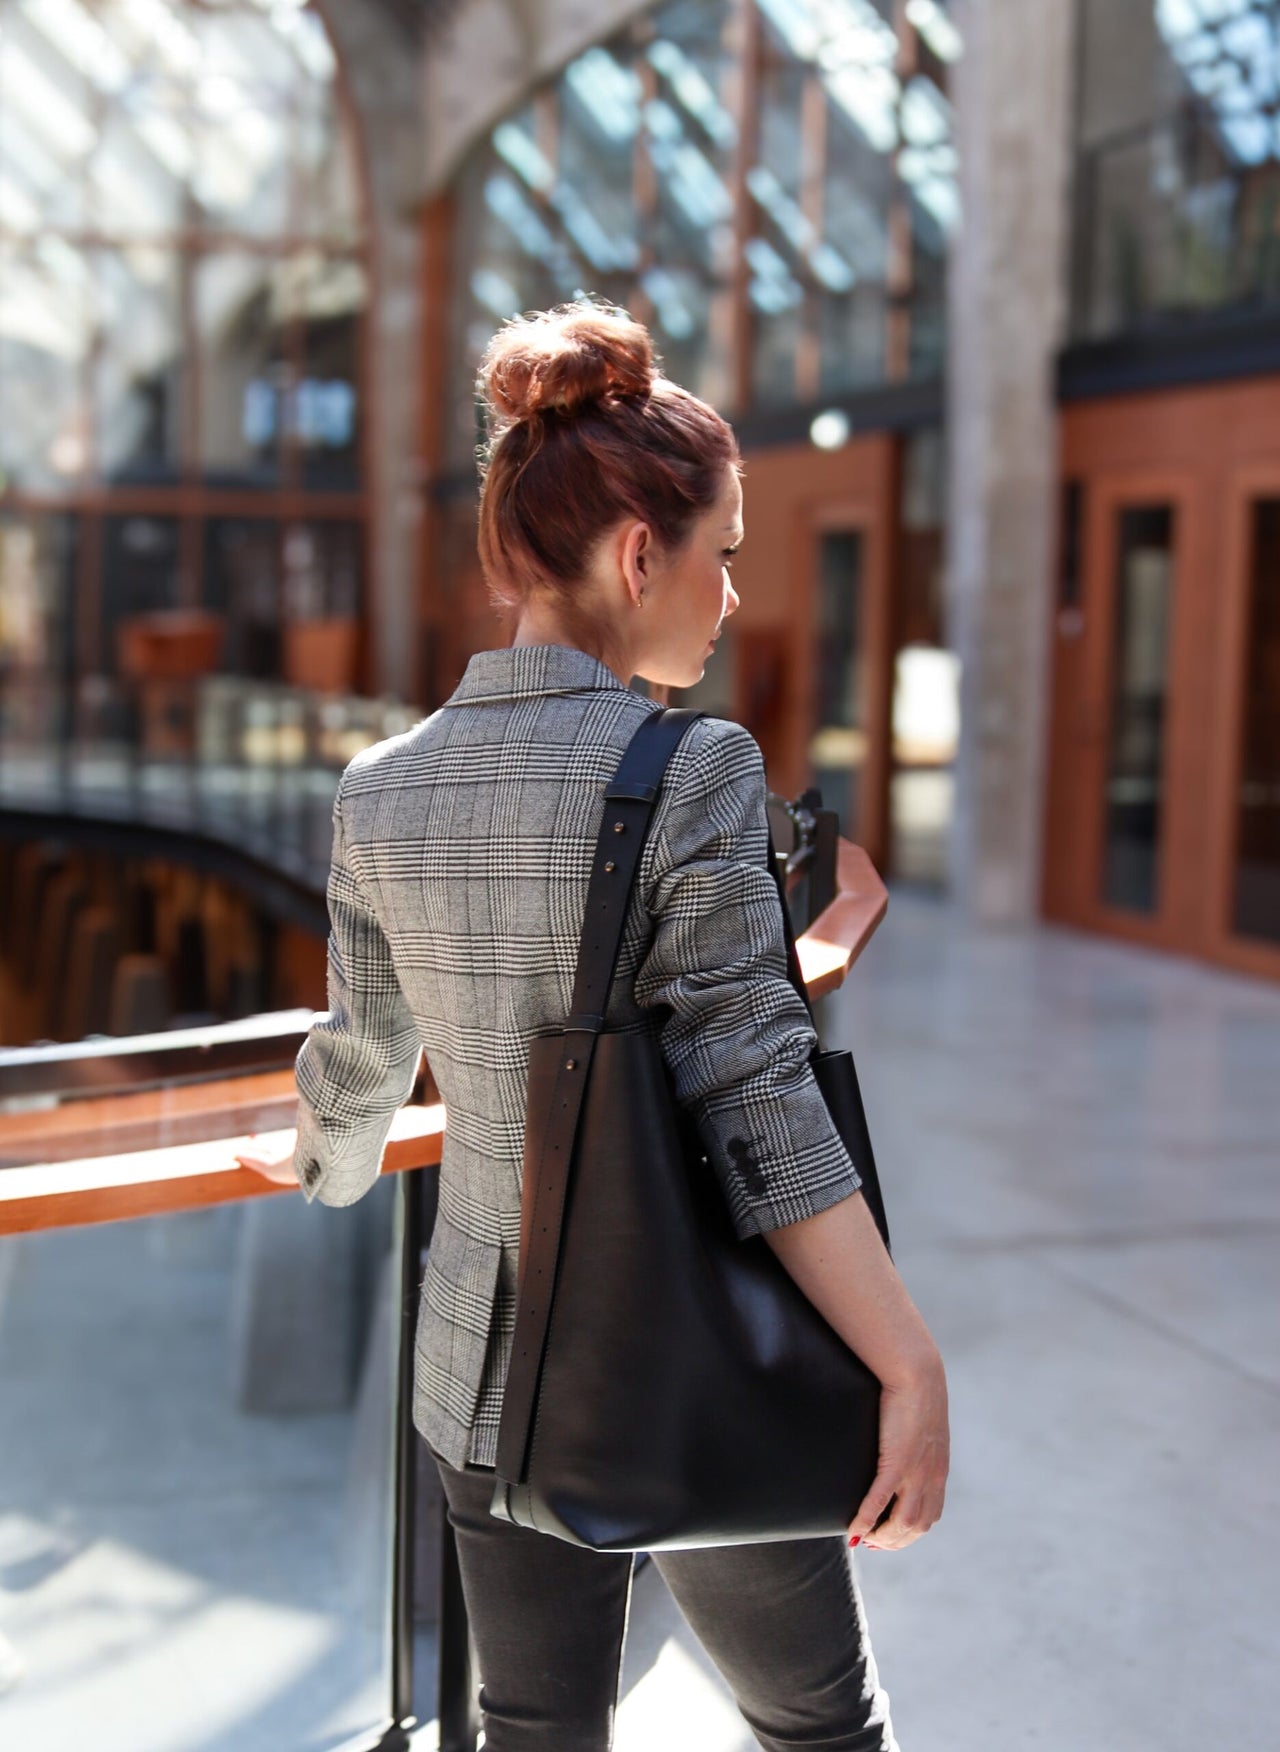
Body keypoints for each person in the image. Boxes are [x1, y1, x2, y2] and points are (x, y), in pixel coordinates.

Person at [238, 300, 949, 1751]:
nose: (731, 594)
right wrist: (908, 1365)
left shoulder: (378, 787)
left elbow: (363, 1061)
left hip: (478, 1373)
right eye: (724, 553)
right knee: (822, 1722)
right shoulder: (693, 769)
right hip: (678, 1351)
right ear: (641, 553)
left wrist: (312, 1163)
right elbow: (759, 1104)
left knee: (530, 1727)